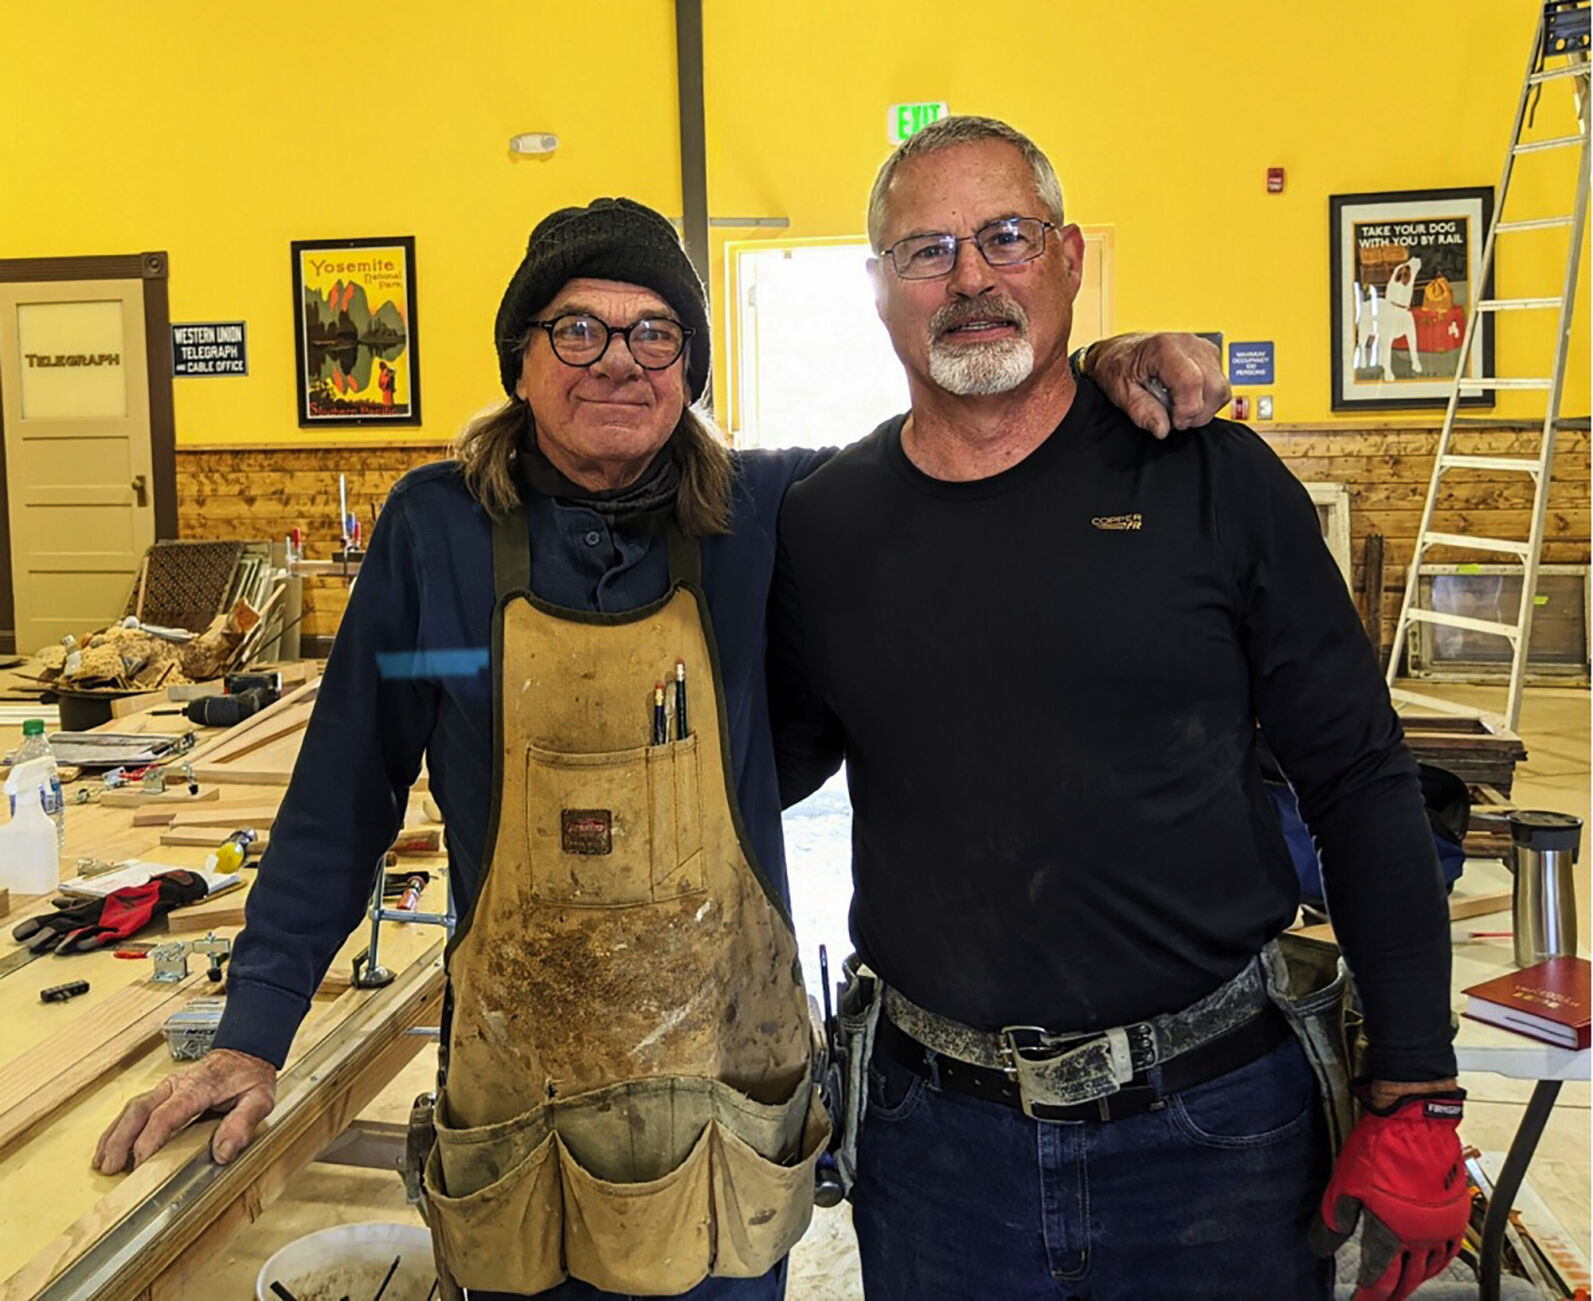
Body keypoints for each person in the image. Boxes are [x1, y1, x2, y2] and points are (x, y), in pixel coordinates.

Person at [90, 196, 1227, 1299]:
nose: (618, 359)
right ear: (520, 359)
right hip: (518, 1112)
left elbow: (969, 457)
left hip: (729, 1107)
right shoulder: (432, 539)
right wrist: (253, 1032)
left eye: (655, 332)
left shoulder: (777, 511)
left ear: (691, 368)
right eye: (577, 327)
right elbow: (348, 789)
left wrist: (1095, 369)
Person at [770, 116, 1469, 1301]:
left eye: (1006, 236)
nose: (974, 278)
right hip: (936, 1145)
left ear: (1071, 257)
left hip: (1217, 1131)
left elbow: (1356, 774)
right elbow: (768, 763)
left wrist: (1415, 1078)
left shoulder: (1209, 478)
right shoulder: (825, 522)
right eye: (928, 250)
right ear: (877, 287)